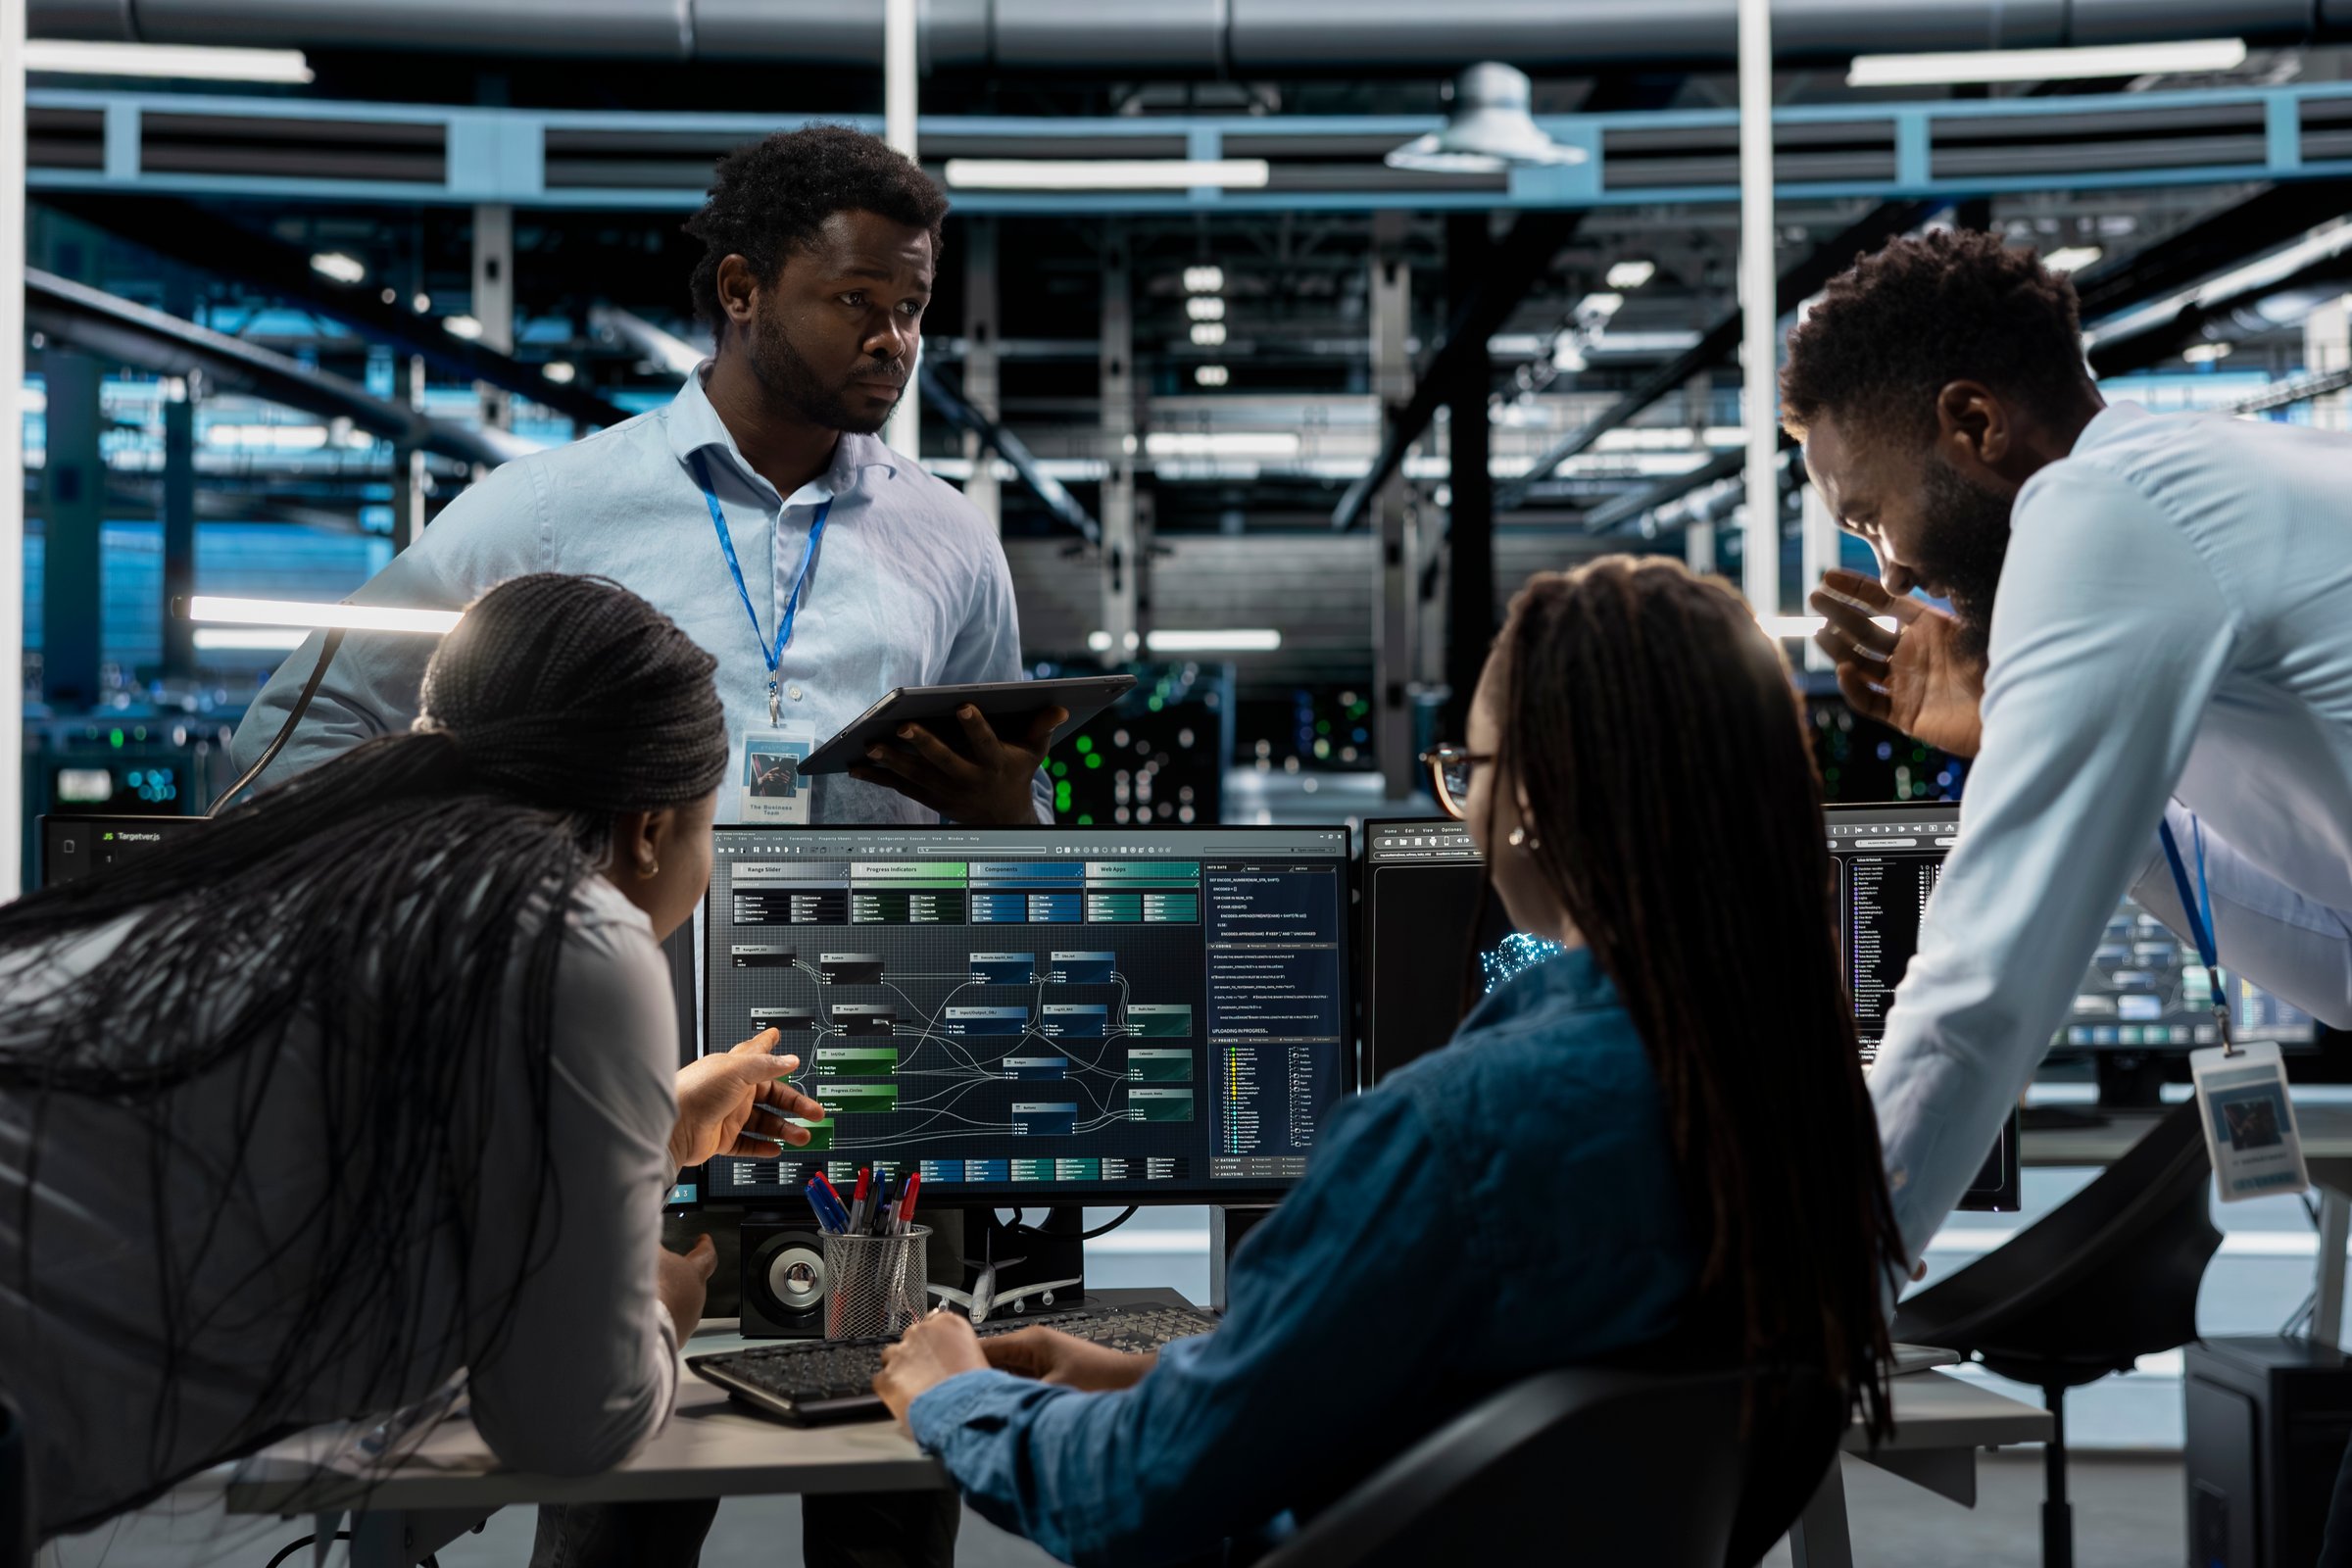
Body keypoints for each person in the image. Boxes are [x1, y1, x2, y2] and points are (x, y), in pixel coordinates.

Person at [871, 559, 1909, 1566]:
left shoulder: (1450, 1133)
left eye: (1472, 774)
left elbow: (1128, 1498)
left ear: (1536, 800)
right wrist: (1164, 1379)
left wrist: (956, 1391)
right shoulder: (1798, 1110)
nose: (1468, 808)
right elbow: (1511, 1405)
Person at [0, 574, 827, 1540]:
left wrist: (656, 1128)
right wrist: (663, 1304)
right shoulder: (575, 929)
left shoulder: (331, 860)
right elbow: (569, 1423)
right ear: (649, 831)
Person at [1786, 226, 2352, 1560]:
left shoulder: (2100, 512)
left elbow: (1984, 984)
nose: (1889, 576)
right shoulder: (2217, 475)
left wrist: (1812, 1299)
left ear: (1971, 423)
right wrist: (2026, 754)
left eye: (1871, 515)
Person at [229, 123, 1057, 828]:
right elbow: (289, 739)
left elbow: (1026, 794)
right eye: (854, 300)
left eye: (910, 308)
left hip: (875, 995)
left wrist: (1011, 814)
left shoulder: (951, 540)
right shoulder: (547, 512)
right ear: (742, 290)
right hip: (608, 998)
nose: (893, 340)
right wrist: (465, 909)